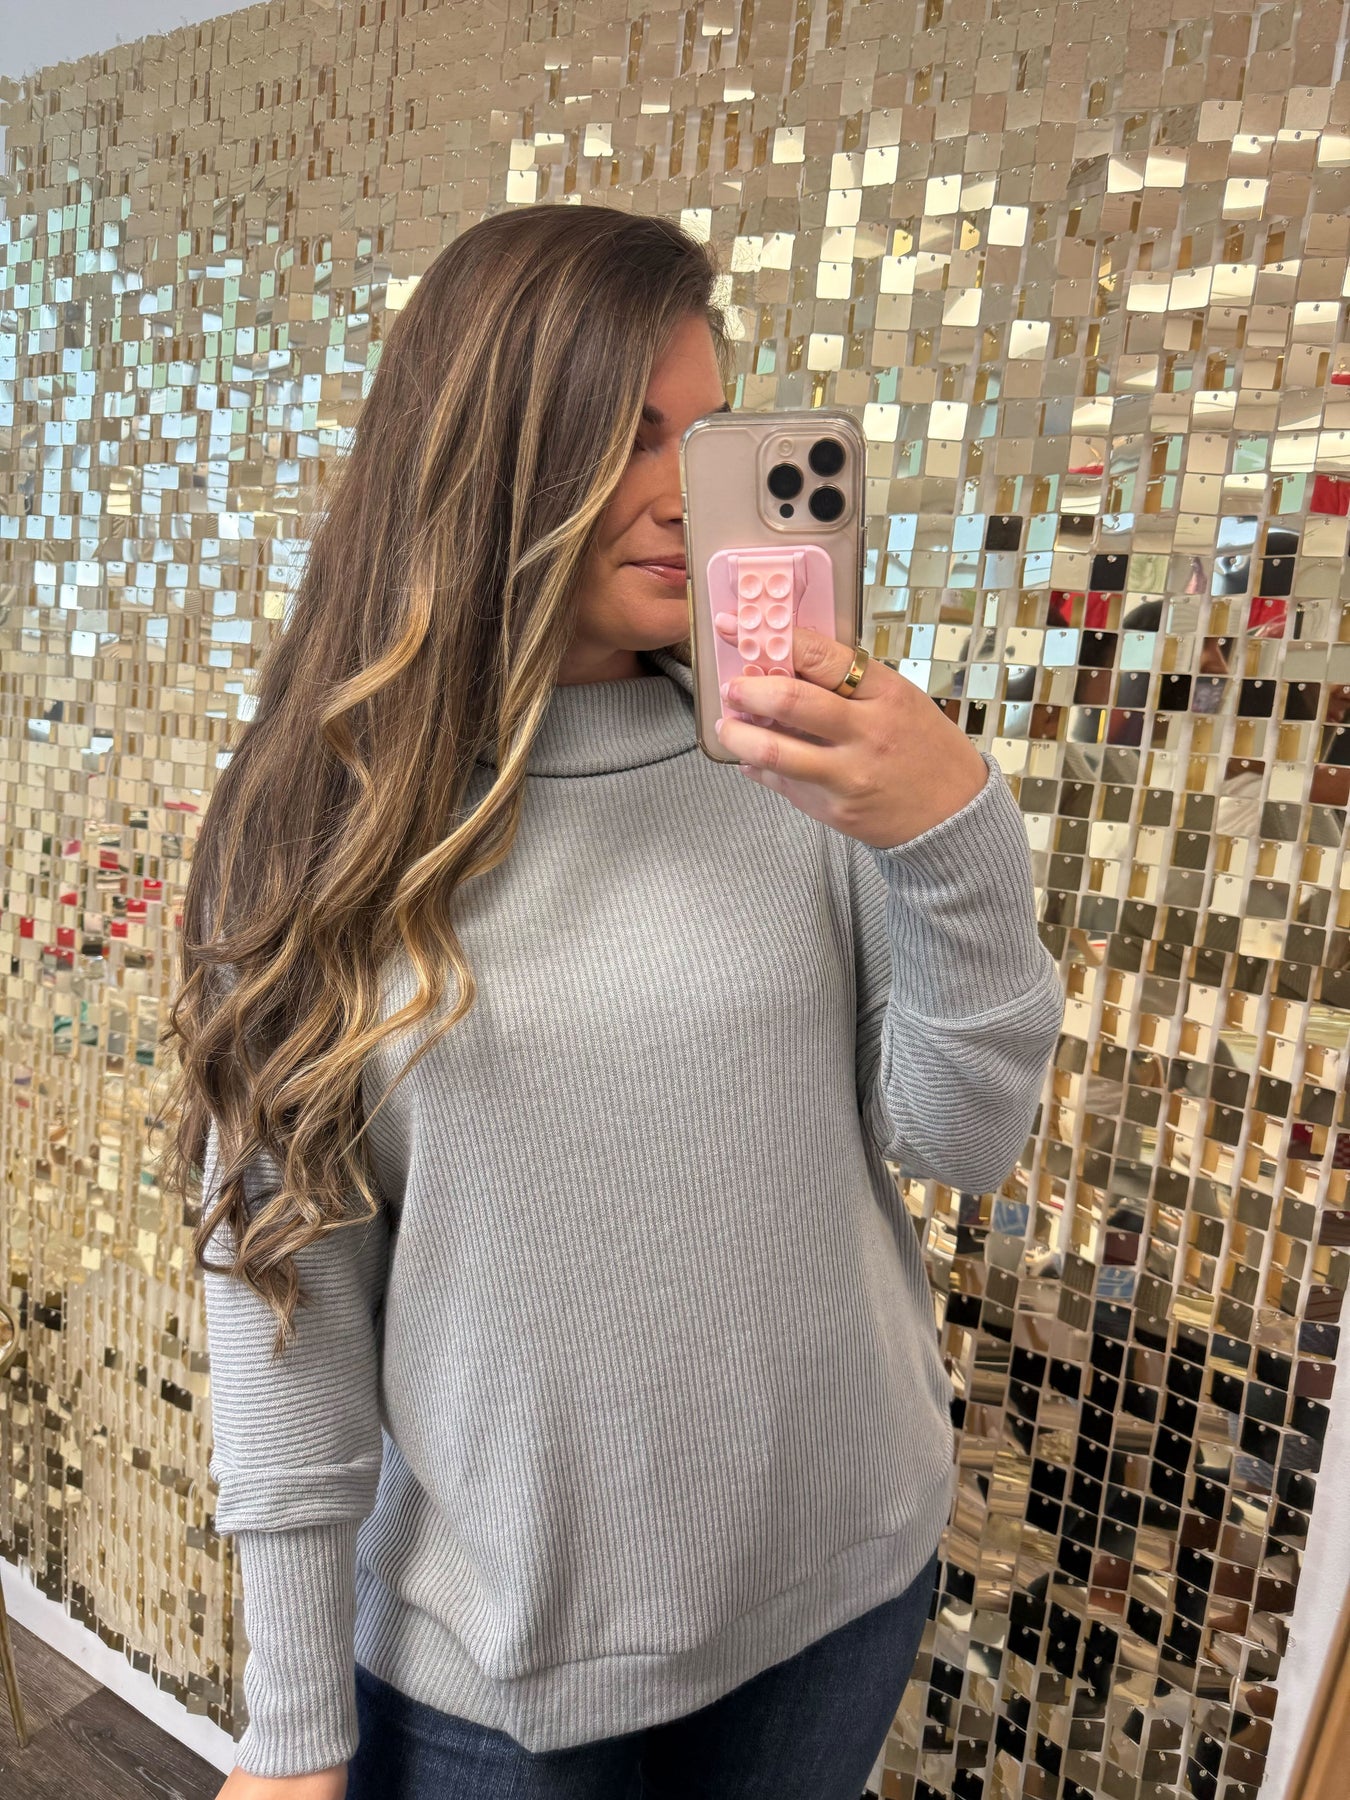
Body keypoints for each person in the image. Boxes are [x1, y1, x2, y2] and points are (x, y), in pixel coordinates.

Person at [157, 203, 1066, 1800]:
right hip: (500, 1684)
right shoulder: (319, 825)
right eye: (629, 433)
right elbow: (291, 1296)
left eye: (707, 436)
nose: (685, 492)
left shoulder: (797, 767)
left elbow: (958, 1138)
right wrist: (292, 1729)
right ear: (491, 454)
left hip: (843, 1592)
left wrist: (953, 831)